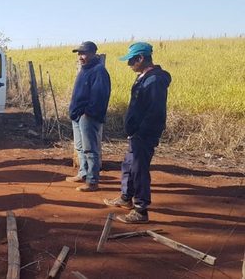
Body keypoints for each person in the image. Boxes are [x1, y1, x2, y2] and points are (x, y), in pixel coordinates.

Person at [104, 42, 171, 224]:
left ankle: (141, 211)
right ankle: (126, 198)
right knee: (128, 165)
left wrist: (141, 131)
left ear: (141, 58)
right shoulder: (143, 77)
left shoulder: (155, 80)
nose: (129, 64)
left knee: (139, 170)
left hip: (144, 134)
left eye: (132, 60)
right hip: (136, 134)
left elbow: (155, 111)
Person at [66, 41, 111, 192]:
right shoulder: (84, 69)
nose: (80, 56)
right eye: (79, 53)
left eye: (83, 53)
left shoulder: (99, 71)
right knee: (80, 148)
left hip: (88, 116)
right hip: (78, 115)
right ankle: (83, 173)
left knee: (90, 150)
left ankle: (92, 181)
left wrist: (88, 113)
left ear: (93, 53)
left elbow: (99, 96)